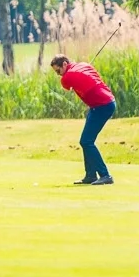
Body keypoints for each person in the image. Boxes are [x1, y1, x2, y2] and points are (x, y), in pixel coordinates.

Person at [50, 54, 116, 185]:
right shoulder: (85, 65)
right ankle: (90, 175)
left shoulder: (66, 78)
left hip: (102, 106)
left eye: (58, 71)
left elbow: (67, 87)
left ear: (64, 64)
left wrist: (71, 76)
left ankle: (105, 175)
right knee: (86, 141)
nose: (59, 75)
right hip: (105, 103)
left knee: (86, 141)